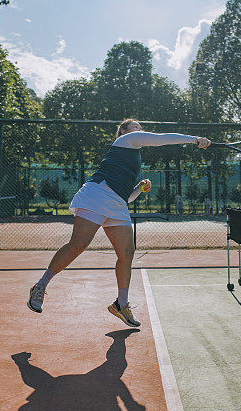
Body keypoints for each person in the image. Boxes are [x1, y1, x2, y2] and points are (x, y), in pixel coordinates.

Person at [28, 119, 211, 327]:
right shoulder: (127, 140)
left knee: (126, 254)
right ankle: (40, 286)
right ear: (123, 131)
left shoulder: (133, 155)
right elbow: (160, 139)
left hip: (117, 205)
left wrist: (138, 189)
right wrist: (194, 139)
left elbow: (127, 198)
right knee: (77, 245)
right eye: (135, 126)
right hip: (97, 195)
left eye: (140, 128)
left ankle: (121, 304)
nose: (139, 129)